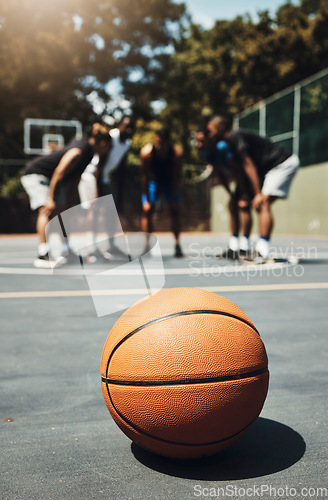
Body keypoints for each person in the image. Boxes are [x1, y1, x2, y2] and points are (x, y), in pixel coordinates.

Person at [206, 115, 300, 261]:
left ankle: (262, 251)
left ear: (221, 127)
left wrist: (258, 193)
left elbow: (248, 164)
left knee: (263, 203)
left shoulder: (235, 136)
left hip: (281, 164)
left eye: (211, 129)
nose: (209, 133)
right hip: (267, 170)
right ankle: (241, 247)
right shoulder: (228, 143)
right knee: (250, 205)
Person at [21, 123, 112, 268]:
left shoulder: (89, 154)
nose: (108, 151)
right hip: (37, 174)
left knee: (63, 212)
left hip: (53, 179)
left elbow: (75, 180)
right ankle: (43, 254)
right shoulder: (79, 151)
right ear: (103, 143)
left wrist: (68, 202)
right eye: (108, 148)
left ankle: (66, 250)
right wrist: (51, 199)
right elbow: (58, 173)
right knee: (47, 210)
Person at [78, 116, 135, 262]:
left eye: (132, 127)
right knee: (93, 210)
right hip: (91, 176)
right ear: (119, 125)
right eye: (126, 126)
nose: (129, 130)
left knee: (111, 212)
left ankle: (110, 247)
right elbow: (99, 166)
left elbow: (121, 170)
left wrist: (121, 195)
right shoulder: (111, 137)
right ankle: (90, 249)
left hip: (104, 179)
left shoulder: (127, 144)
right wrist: (97, 193)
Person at [195, 129, 253, 259]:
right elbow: (220, 174)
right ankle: (234, 247)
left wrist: (244, 194)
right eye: (197, 141)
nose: (199, 144)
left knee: (244, 205)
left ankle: (245, 246)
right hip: (239, 178)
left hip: (247, 176)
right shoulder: (207, 153)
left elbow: (238, 171)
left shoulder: (223, 147)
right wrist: (231, 193)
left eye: (201, 141)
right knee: (232, 205)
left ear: (209, 138)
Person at [140, 128, 184, 257]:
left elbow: (177, 177)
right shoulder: (146, 153)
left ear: (168, 142)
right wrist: (147, 200)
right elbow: (144, 177)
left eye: (162, 143)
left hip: (170, 182)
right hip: (153, 182)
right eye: (157, 142)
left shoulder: (176, 153)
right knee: (147, 210)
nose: (159, 145)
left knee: (174, 210)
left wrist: (174, 199)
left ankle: (177, 244)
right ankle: (147, 245)